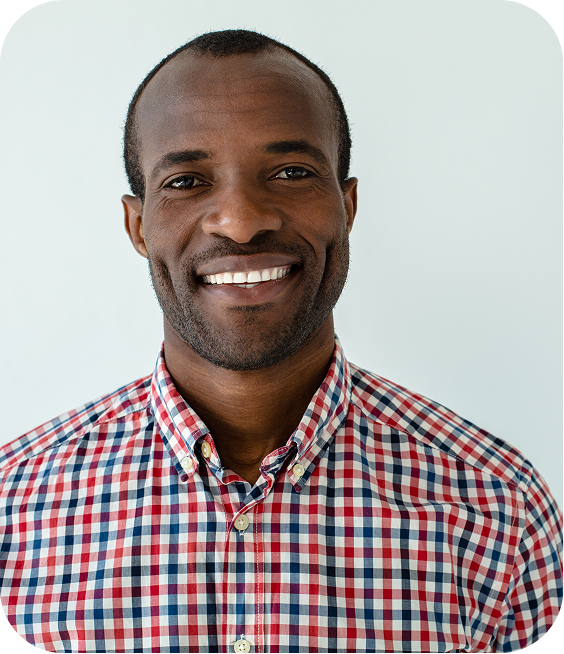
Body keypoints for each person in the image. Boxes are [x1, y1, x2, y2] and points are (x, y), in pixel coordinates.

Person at [0, 29, 562, 653]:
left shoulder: (501, 511)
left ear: (347, 205)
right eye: (186, 181)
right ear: (138, 225)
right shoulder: (12, 510)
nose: (241, 222)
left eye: (292, 173)